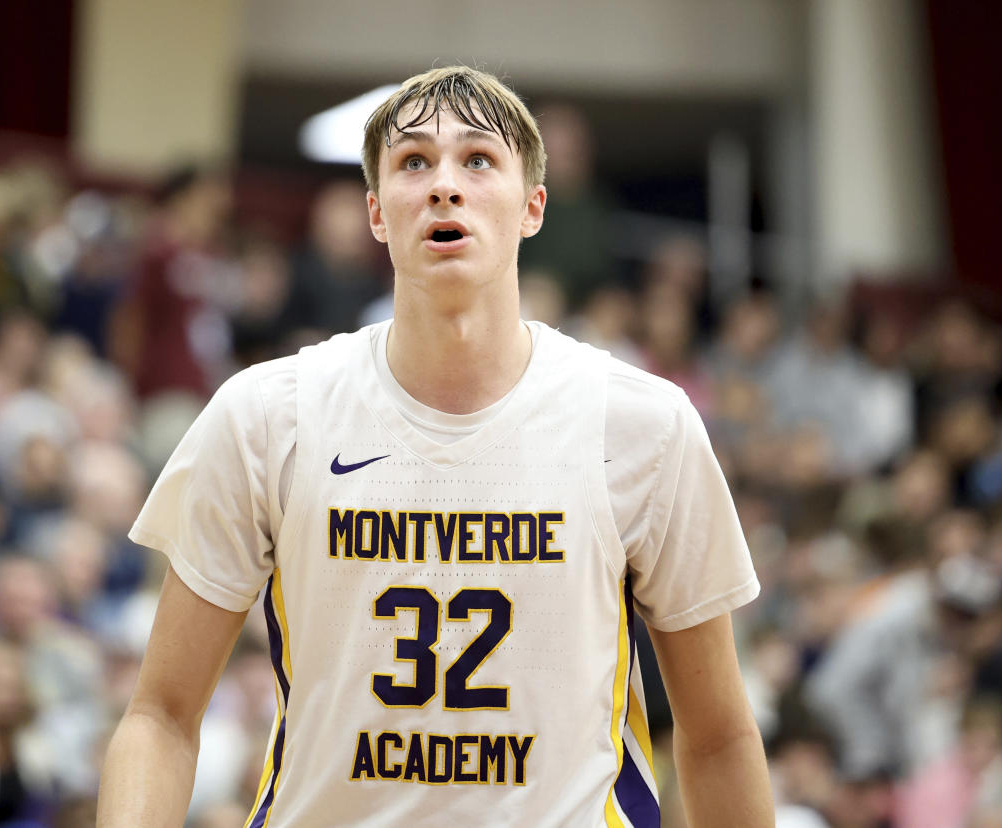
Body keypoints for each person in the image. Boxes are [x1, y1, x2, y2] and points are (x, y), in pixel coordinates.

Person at [97, 66, 772, 827]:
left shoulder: (643, 423)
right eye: (414, 162)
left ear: (533, 207)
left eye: (478, 161)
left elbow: (717, 738)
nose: (444, 185)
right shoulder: (267, 413)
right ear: (377, 212)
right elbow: (159, 716)